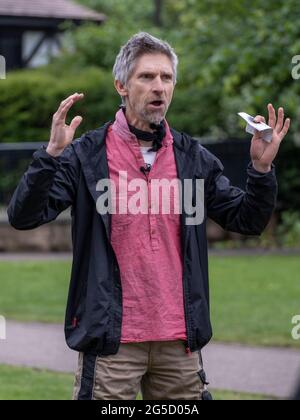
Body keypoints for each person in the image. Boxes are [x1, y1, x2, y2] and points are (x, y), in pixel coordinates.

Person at [7, 32, 290, 400]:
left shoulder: (192, 157)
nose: (159, 86)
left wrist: (260, 170)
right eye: (147, 77)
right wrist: (49, 157)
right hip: (112, 344)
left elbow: (247, 220)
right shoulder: (86, 155)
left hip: (179, 343)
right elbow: (24, 216)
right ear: (121, 85)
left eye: (166, 77)